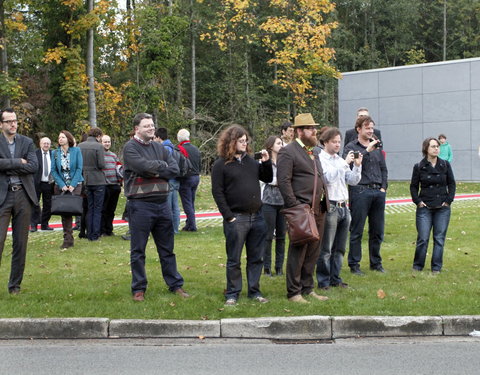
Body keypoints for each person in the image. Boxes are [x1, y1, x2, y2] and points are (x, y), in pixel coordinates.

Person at [123, 113, 189, 302]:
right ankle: (139, 288)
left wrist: (156, 168)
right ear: (137, 129)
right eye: (146, 126)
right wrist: (161, 167)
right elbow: (142, 166)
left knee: (167, 249)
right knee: (138, 250)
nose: (151, 128)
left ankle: (175, 285)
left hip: (162, 205)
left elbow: (175, 169)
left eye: (152, 125)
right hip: (140, 206)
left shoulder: (159, 148)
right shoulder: (130, 148)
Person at [211, 125, 272, 306]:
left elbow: (267, 178)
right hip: (237, 219)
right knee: (234, 259)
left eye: (246, 141)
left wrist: (267, 163)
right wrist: (228, 216)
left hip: (257, 217)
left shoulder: (252, 162)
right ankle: (232, 293)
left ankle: (254, 291)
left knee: (256, 258)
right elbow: (218, 192)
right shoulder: (220, 165)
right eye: (241, 141)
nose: (245, 144)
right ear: (231, 142)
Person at [277, 113, 329, 304]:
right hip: (301, 209)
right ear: (299, 131)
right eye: (310, 128)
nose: (314, 131)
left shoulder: (314, 152)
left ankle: (308, 288)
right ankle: (294, 292)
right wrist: (295, 207)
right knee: (298, 251)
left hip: (318, 209)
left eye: (314, 128)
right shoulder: (288, 151)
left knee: (313, 251)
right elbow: (283, 181)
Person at [316, 128, 362, 290]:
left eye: (339, 141)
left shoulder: (339, 160)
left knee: (340, 248)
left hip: (344, 205)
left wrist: (357, 166)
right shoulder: (321, 159)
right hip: (331, 206)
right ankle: (323, 280)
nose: (337, 145)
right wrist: (345, 163)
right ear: (325, 142)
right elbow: (328, 178)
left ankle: (335, 278)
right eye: (334, 142)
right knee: (326, 247)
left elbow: (353, 181)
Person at [343, 116, 388, 275]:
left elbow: (383, 168)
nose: (370, 131)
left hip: (377, 192)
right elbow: (346, 165)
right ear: (359, 129)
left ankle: (376, 263)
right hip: (360, 191)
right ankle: (354, 265)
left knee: (377, 231)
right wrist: (366, 151)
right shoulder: (351, 146)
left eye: (372, 128)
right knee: (357, 230)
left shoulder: (377, 147)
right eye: (367, 128)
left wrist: (383, 188)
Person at [0, 108, 38, 294]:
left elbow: (33, 166)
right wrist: (18, 162)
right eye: (8, 121)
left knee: (20, 244)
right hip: (3, 196)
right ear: (1, 124)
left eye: (14, 120)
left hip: (23, 196)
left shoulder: (27, 142)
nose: (13, 124)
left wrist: (7, 165)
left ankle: (14, 286)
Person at [410, 137, 456, 274]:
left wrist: (448, 200)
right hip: (425, 208)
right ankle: (418, 266)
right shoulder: (419, 166)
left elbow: (451, 184)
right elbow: (413, 187)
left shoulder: (445, 165)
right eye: (433, 146)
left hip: (442, 207)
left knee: (439, 238)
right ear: (426, 149)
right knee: (423, 238)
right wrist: (418, 202)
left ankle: (436, 267)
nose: (436, 148)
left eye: (437, 146)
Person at [50, 130, 83, 249]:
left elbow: (79, 168)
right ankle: (67, 238)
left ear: (68, 139)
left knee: (73, 209)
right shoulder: (54, 153)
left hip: (76, 184)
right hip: (61, 186)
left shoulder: (77, 151)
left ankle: (79, 231)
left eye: (63, 137)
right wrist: (62, 184)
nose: (60, 139)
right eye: (59, 137)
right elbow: (53, 170)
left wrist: (73, 184)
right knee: (65, 212)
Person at [261, 136, 286, 277]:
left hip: (283, 202)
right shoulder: (265, 161)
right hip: (269, 202)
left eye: (281, 143)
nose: (281, 145)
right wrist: (278, 181)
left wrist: (279, 181)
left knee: (282, 236)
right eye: (278, 143)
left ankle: (279, 267)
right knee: (268, 236)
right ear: (271, 146)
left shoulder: (284, 161)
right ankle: (266, 268)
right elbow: (268, 179)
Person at [78, 128, 106, 241]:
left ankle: (89, 233)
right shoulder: (99, 146)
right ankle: (95, 234)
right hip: (98, 180)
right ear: (98, 136)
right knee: (97, 209)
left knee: (89, 208)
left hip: (85, 180)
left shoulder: (80, 146)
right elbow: (101, 164)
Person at [154, 128, 181, 234]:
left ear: (158, 137)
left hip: (169, 179)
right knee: (175, 206)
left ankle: (170, 229)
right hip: (176, 179)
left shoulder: (164, 148)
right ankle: (175, 228)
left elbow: (163, 165)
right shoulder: (172, 146)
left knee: (168, 206)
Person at [177, 129, 201, 232]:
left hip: (186, 178)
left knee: (187, 203)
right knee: (191, 201)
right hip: (196, 177)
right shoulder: (196, 149)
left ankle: (192, 225)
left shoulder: (179, 149)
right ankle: (189, 223)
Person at [30, 137, 54, 232]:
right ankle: (34, 225)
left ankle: (45, 224)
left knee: (48, 205)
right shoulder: (35, 154)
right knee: (35, 204)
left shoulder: (53, 154)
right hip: (37, 183)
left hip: (49, 183)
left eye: (48, 143)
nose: (46, 145)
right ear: (40, 144)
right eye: (44, 143)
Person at [100, 135, 122, 236]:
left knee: (111, 210)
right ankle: (103, 230)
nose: (107, 143)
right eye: (105, 142)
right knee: (103, 209)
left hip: (115, 185)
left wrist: (119, 182)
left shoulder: (113, 155)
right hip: (104, 185)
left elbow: (118, 169)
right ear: (101, 143)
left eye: (108, 142)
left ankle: (109, 229)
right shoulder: (99, 155)